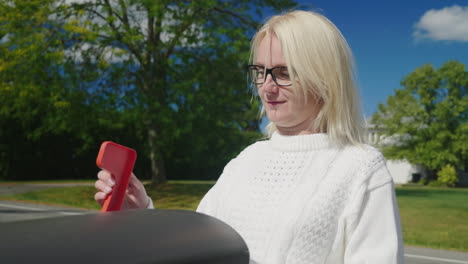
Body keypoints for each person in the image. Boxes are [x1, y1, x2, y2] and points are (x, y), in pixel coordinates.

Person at [95, 10, 404, 264]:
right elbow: (197, 247)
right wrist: (143, 212)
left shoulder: (361, 168)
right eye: (260, 71)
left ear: (324, 77)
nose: (267, 87)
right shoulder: (245, 161)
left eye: (283, 72)